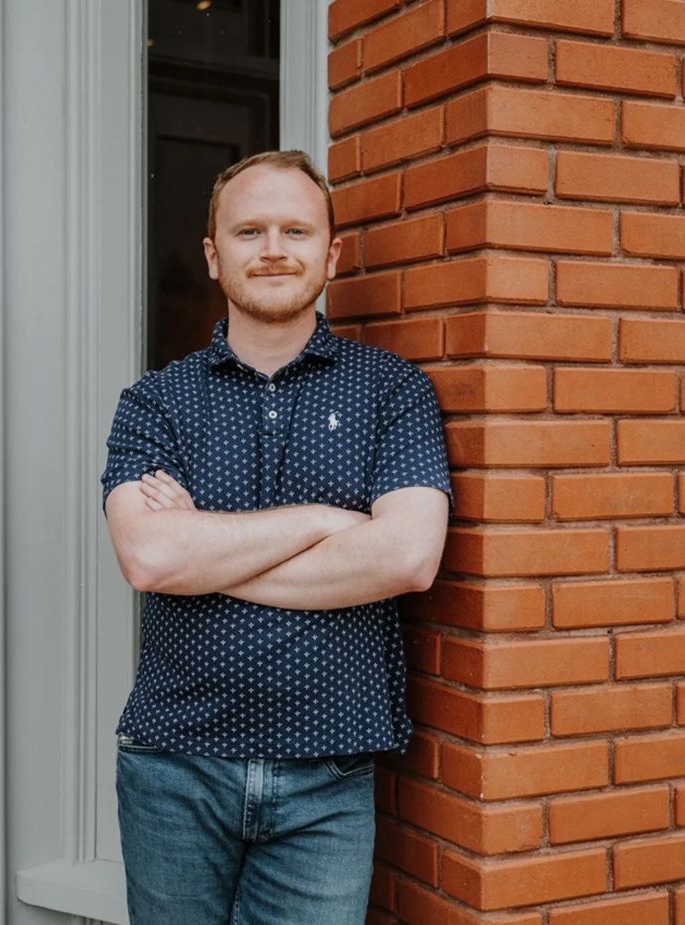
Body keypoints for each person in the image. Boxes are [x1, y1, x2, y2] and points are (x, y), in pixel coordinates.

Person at [101, 149, 453, 925]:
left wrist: (208, 551)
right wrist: (327, 523)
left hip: (326, 780)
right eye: (248, 230)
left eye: (295, 229)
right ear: (213, 253)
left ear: (329, 252)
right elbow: (151, 555)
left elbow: (406, 556)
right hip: (173, 770)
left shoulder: (392, 392)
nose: (272, 249)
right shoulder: (152, 404)